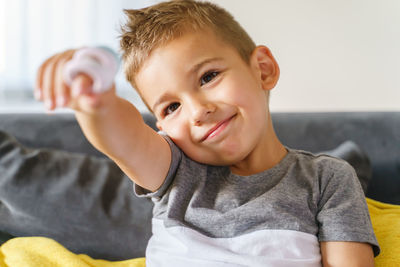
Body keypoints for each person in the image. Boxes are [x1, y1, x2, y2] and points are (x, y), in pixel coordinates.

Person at [35, 0, 379, 266]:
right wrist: (94, 101)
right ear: (162, 128)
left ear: (263, 69)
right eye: (171, 108)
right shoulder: (175, 172)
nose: (199, 111)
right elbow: (121, 136)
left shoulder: (328, 178)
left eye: (208, 77)